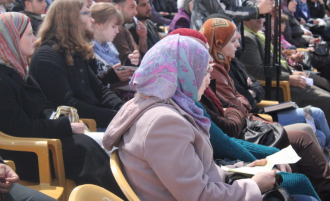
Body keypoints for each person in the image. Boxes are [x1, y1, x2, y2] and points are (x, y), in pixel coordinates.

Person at [103, 34, 275, 201]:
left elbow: (192, 178)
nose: (208, 81)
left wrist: (242, 170)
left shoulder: (153, 106)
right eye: (205, 71)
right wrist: (254, 186)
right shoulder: (164, 123)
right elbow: (199, 196)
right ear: (184, 73)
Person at [199, 19, 330, 199]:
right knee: (308, 129)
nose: (238, 44)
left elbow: (249, 93)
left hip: (251, 125)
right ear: (219, 43)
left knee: (312, 130)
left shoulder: (229, 63)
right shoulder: (213, 73)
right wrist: (243, 100)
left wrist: (243, 100)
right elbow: (233, 118)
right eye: (233, 40)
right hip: (251, 129)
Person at [0, 12, 124, 197]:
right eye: (28, 35)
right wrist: (65, 125)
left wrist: (60, 122)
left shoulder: (18, 70)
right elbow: (20, 127)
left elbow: (44, 106)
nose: (34, 39)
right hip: (30, 153)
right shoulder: (4, 78)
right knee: (87, 149)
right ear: (11, 39)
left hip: (48, 140)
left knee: (105, 146)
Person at [29, 0, 124, 128]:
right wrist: (117, 117)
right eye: (86, 13)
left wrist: (123, 109)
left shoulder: (75, 51)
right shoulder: (46, 57)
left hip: (95, 119)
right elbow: (68, 105)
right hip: (80, 127)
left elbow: (99, 90)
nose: (92, 20)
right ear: (70, 19)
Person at [90, 2, 135, 84]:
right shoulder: (87, 52)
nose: (117, 31)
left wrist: (129, 62)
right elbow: (90, 85)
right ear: (99, 25)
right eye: (113, 26)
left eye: (118, 27)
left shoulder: (109, 46)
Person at [112, 0, 142, 66]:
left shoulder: (124, 28)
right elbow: (127, 60)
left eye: (135, 8)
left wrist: (143, 37)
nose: (136, 12)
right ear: (118, 8)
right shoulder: (117, 29)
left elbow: (139, 57)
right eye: (132, 7)